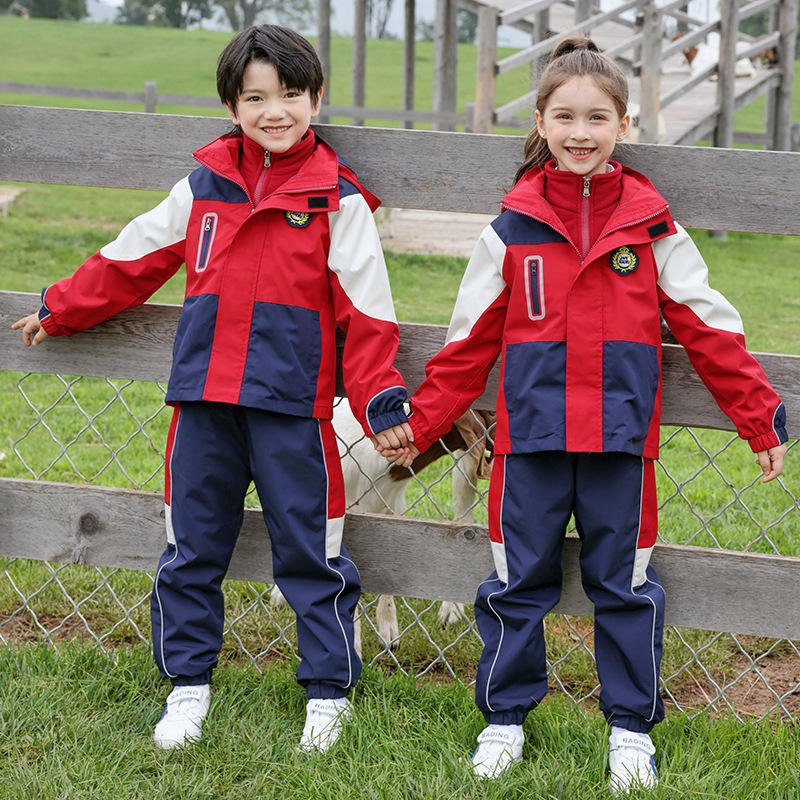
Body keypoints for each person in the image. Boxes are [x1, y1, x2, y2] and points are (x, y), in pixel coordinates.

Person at [380, 37, 787, 793]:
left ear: (624, 126)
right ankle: (504, 717)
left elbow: (708, 327)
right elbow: (468, 342)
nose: (580, 132)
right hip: (528, 447)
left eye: (597, 118)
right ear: (540, 120)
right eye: (563, 116)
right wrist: (424, 423)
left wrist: (758, 416)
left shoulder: (653, 225)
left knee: (626, 586)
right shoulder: (511, 226)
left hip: (621, 448)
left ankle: (631, 728)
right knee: (514, 582)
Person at [12, 24, 412, 753]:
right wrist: (60, 306)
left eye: (291, 94)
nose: (275, 111)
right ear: (232, 107)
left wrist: (382, 402)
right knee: (191, 548)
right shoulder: (203, 186)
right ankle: (187, 684)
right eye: (256, 97)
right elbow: (134, 255)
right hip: (203, 405)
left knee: (311, 550)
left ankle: (328, 691)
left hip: (293, 412)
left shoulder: (339, 201)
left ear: (315, 99)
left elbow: (369, 309)